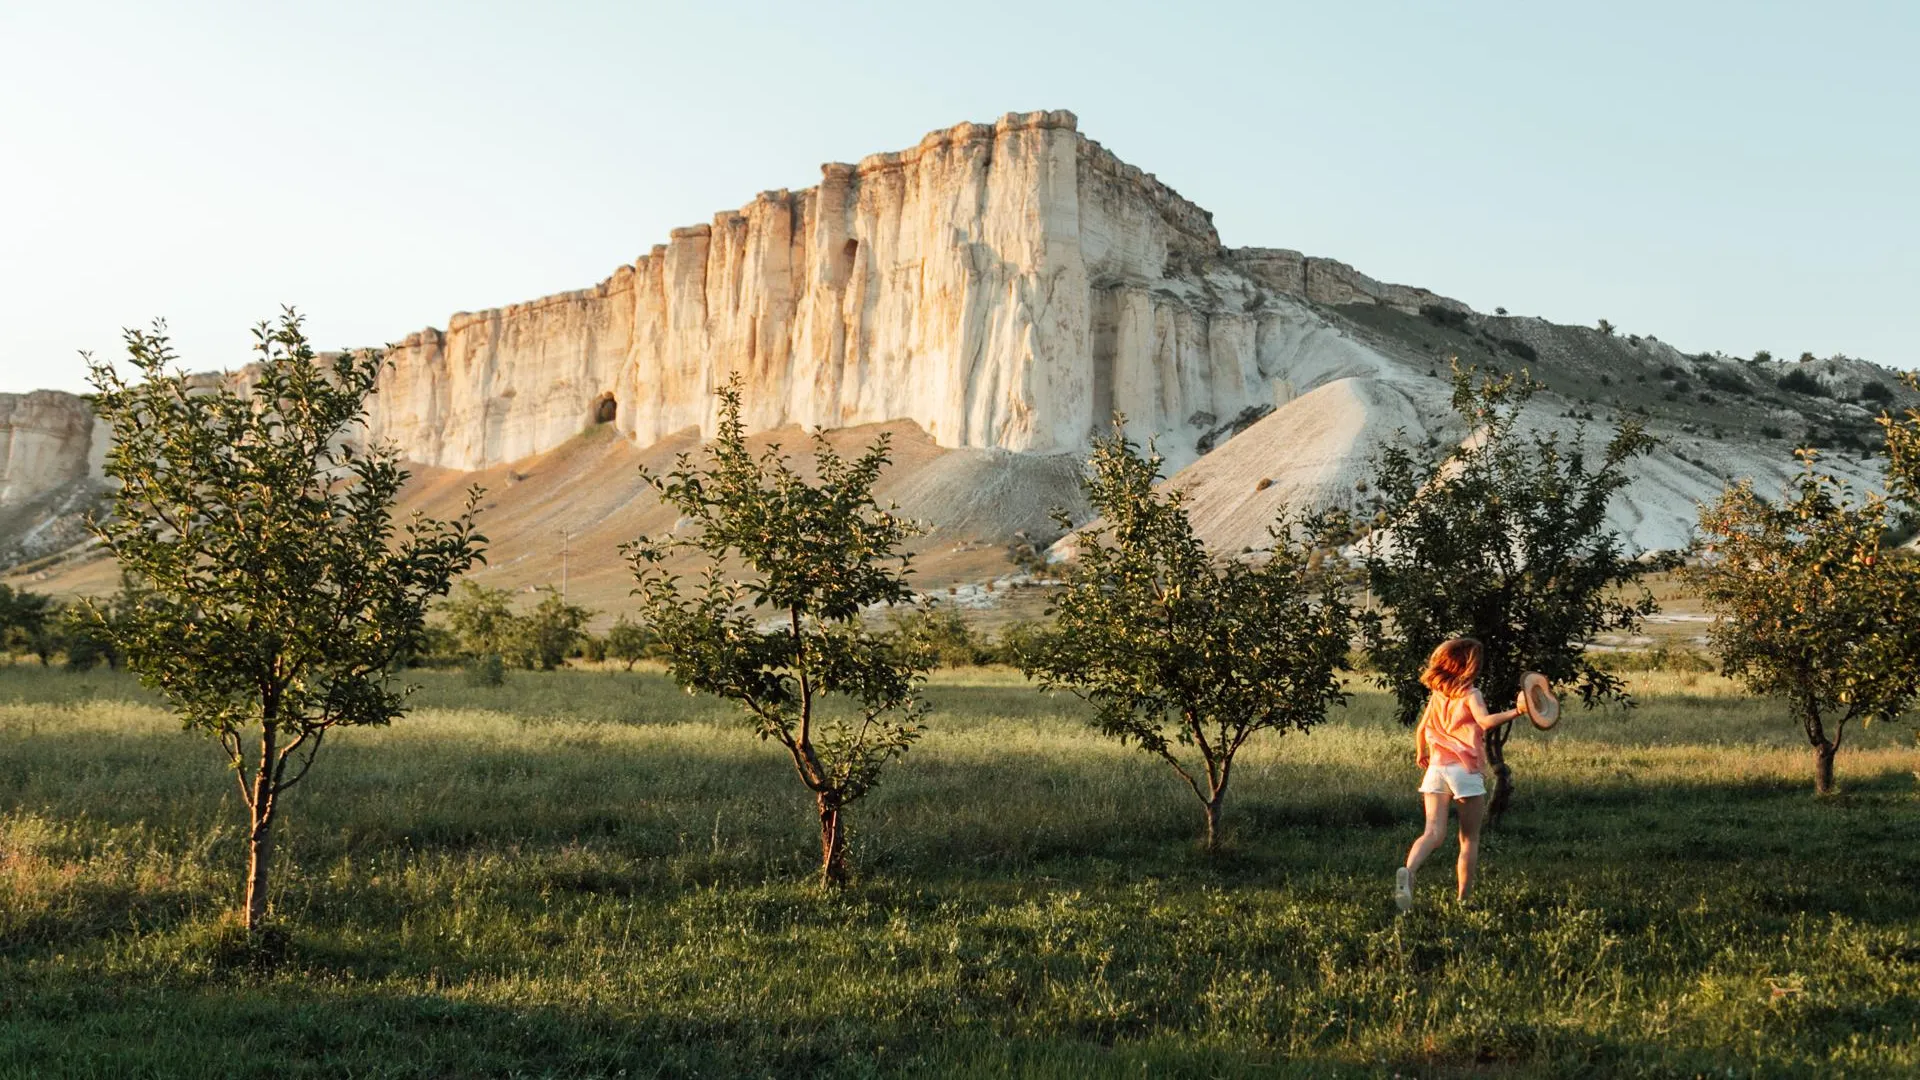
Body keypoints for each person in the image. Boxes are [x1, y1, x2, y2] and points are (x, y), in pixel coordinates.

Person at [1393, 637, 1525, 910]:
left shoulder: (1438, 694)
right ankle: (1464, 900)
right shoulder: (1471, 694)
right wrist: (1517, 711)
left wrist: (1422, 752)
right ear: (1470, 666)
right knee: (1469, 839)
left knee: (1432, 832)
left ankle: (1410, 871)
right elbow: (1486, 722)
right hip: (1464, 771)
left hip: (1436, 769)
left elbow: (1421, 729)